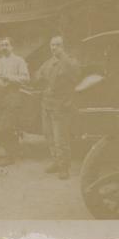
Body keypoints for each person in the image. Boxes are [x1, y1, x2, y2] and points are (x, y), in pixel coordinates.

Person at [34, 35, 80, 180]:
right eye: (52, 45)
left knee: (61, 138)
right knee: (49, 135)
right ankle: (56, 161)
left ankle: (64, 167)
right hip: (46, 104)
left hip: (61, 105)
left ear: (63, 46)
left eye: (57, 45)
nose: (54, 48)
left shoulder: (71, 63)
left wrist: (68, 101)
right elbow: (37, 77)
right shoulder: (48, 63)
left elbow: (75, 84)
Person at [0, 37, 30, 167]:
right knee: (1, 124)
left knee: (5, 126)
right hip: (0, 97)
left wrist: (10, 78)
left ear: (11, 47)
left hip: (13, 96)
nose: (4, 47)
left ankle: (10, 156)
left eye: (6, 45)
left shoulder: (19, 61)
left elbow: (26, 78)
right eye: (2, 45)